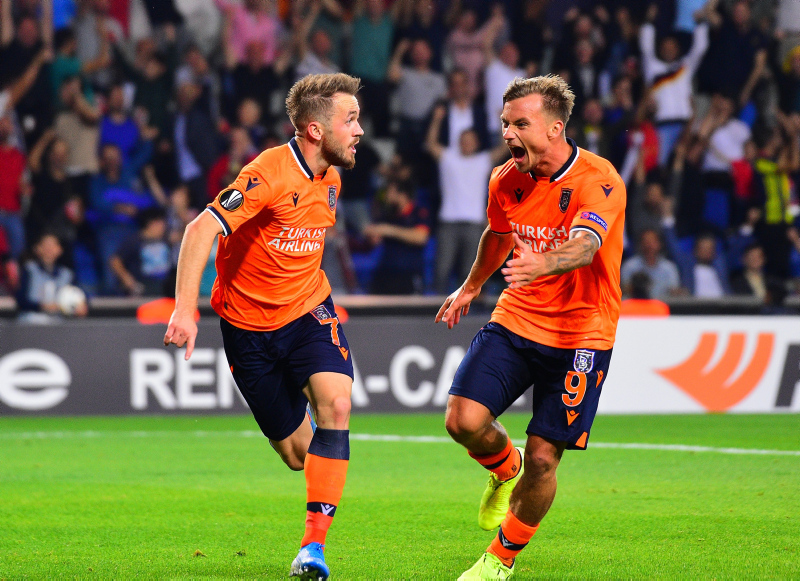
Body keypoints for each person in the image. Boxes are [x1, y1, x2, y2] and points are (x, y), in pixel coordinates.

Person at [163, 73, 363, 581]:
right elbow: (200, 228)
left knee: (338, 404)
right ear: (315, 130)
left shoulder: (332, 179)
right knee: (298, 455)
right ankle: (322, 454)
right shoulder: (267, 173)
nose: (359, 130)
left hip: (308, 312)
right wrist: (185, 310)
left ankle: (312, 549)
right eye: (350, 120)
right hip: (247, 329)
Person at [435, 75, 626, 580]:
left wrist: (545, 262)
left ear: (555, 128)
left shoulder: (599, 180)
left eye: (520, 123)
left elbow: (585, 245)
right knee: (462, 421)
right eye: (505, 123)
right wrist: (472, 286)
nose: (508, 133)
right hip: (519, 316)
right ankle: (505, 469)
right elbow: (498, 235)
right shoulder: (505, 179)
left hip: (582, 333)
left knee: (544, 459)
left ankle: (499, 560)